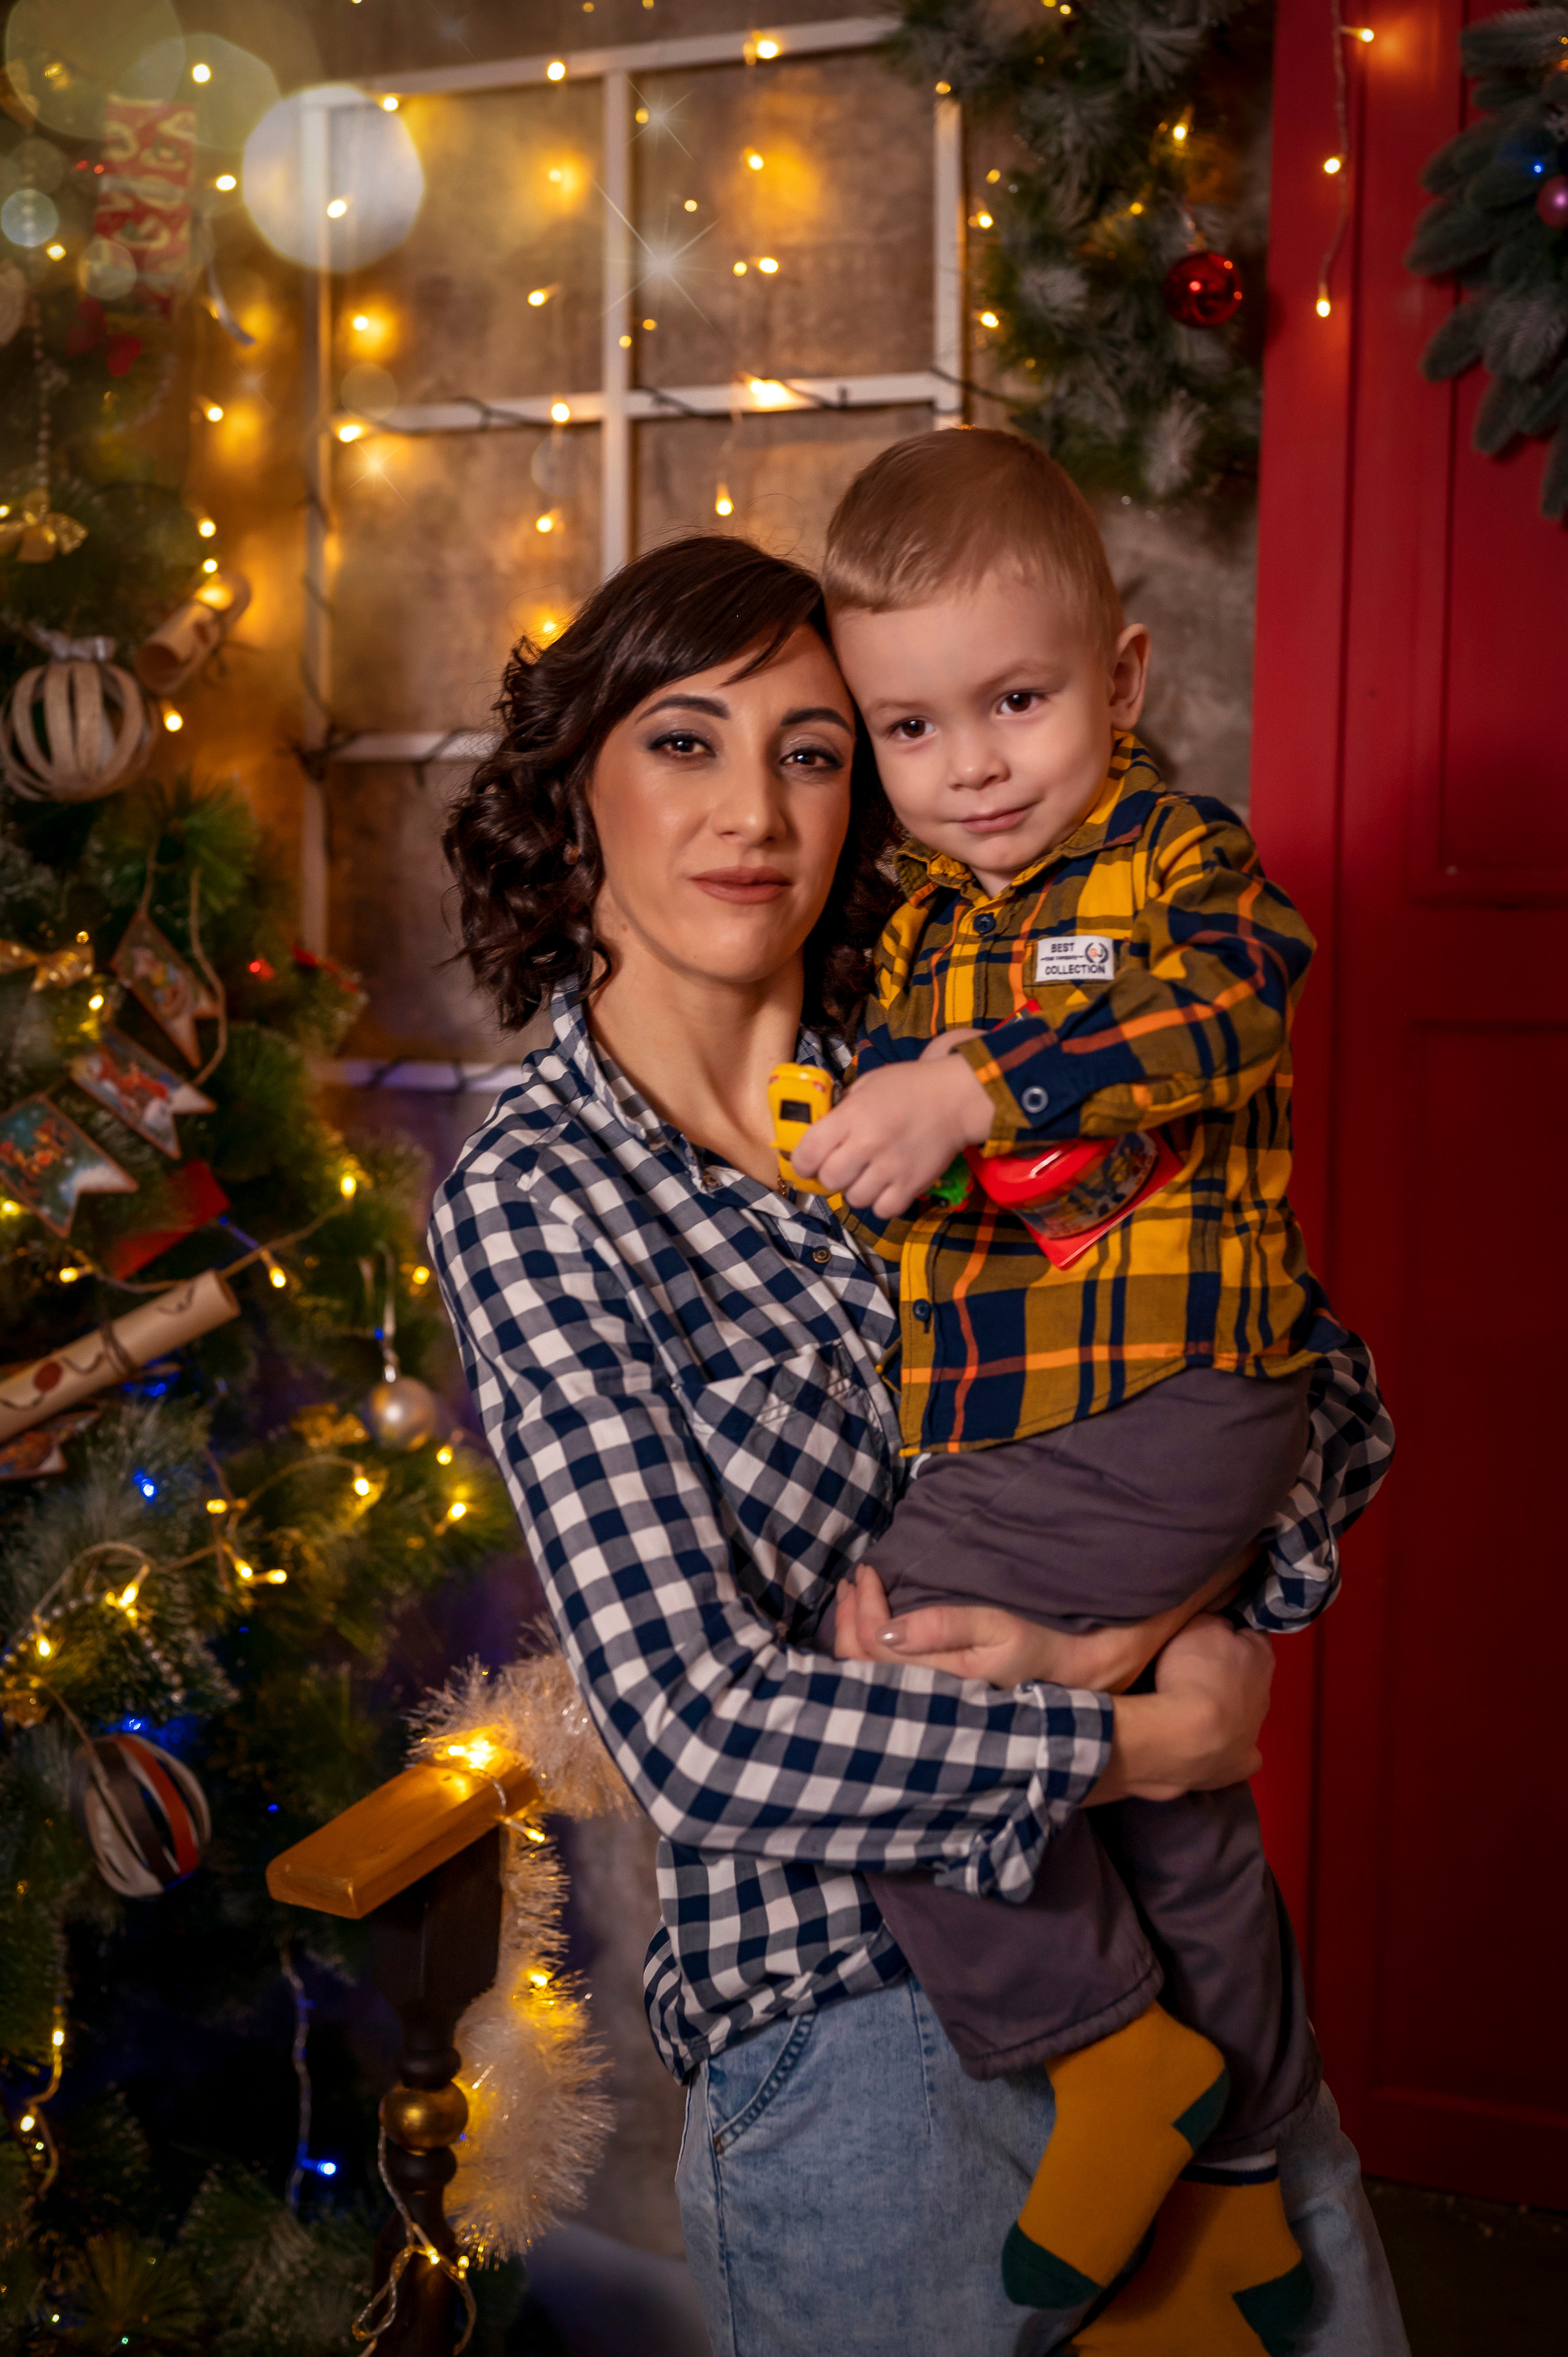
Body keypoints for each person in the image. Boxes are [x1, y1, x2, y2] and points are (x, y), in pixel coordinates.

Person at [429, 531, 1408, 2357]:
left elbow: (1312, 1385)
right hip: (857, 2037)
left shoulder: (969, 1039)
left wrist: (1158, 1623)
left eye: (811, 751)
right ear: (576, 791)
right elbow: (703, 1734)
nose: (755, 812)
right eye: (685, 741)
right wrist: (1135, 1734)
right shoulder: (546, 1197)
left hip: (1201, 1987)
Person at [786, 428, 1376, 2349]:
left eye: (1017, 702)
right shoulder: (905, 924)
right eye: (910, 728)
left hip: (1158, 1396)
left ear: (1120, 680)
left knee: (883, 1688)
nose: (969, 766)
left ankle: (1105, 2053)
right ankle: (1246, 2176)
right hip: (1040, 1418)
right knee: (1167, 1809)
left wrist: (982, 1086)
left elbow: (1243, 991)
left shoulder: (1171, 856)